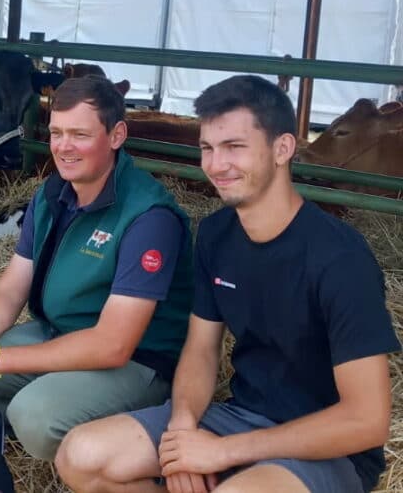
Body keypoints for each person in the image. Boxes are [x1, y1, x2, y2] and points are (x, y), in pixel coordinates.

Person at [56, 75, 400, 493]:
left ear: (283, 149)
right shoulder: (216, 234)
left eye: (234, 147)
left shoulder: (340, 257)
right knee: (80, 456)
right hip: (241, 417)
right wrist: (182, 433)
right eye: (207, 148)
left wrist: (223, 452)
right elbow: (201, 349)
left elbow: (366, 420)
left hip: (326, 447)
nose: (216, 165)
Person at [0, 75, 195, 461]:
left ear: (117, 135)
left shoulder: (148, 217)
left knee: (35, 418)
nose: (63, 147)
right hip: (55, 334)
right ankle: (13, 414)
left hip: (134, 362)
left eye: (80, 134)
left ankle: (123, 424)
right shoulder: (52, 194)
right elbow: (10, 290)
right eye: (56, 133)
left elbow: (113, 345)